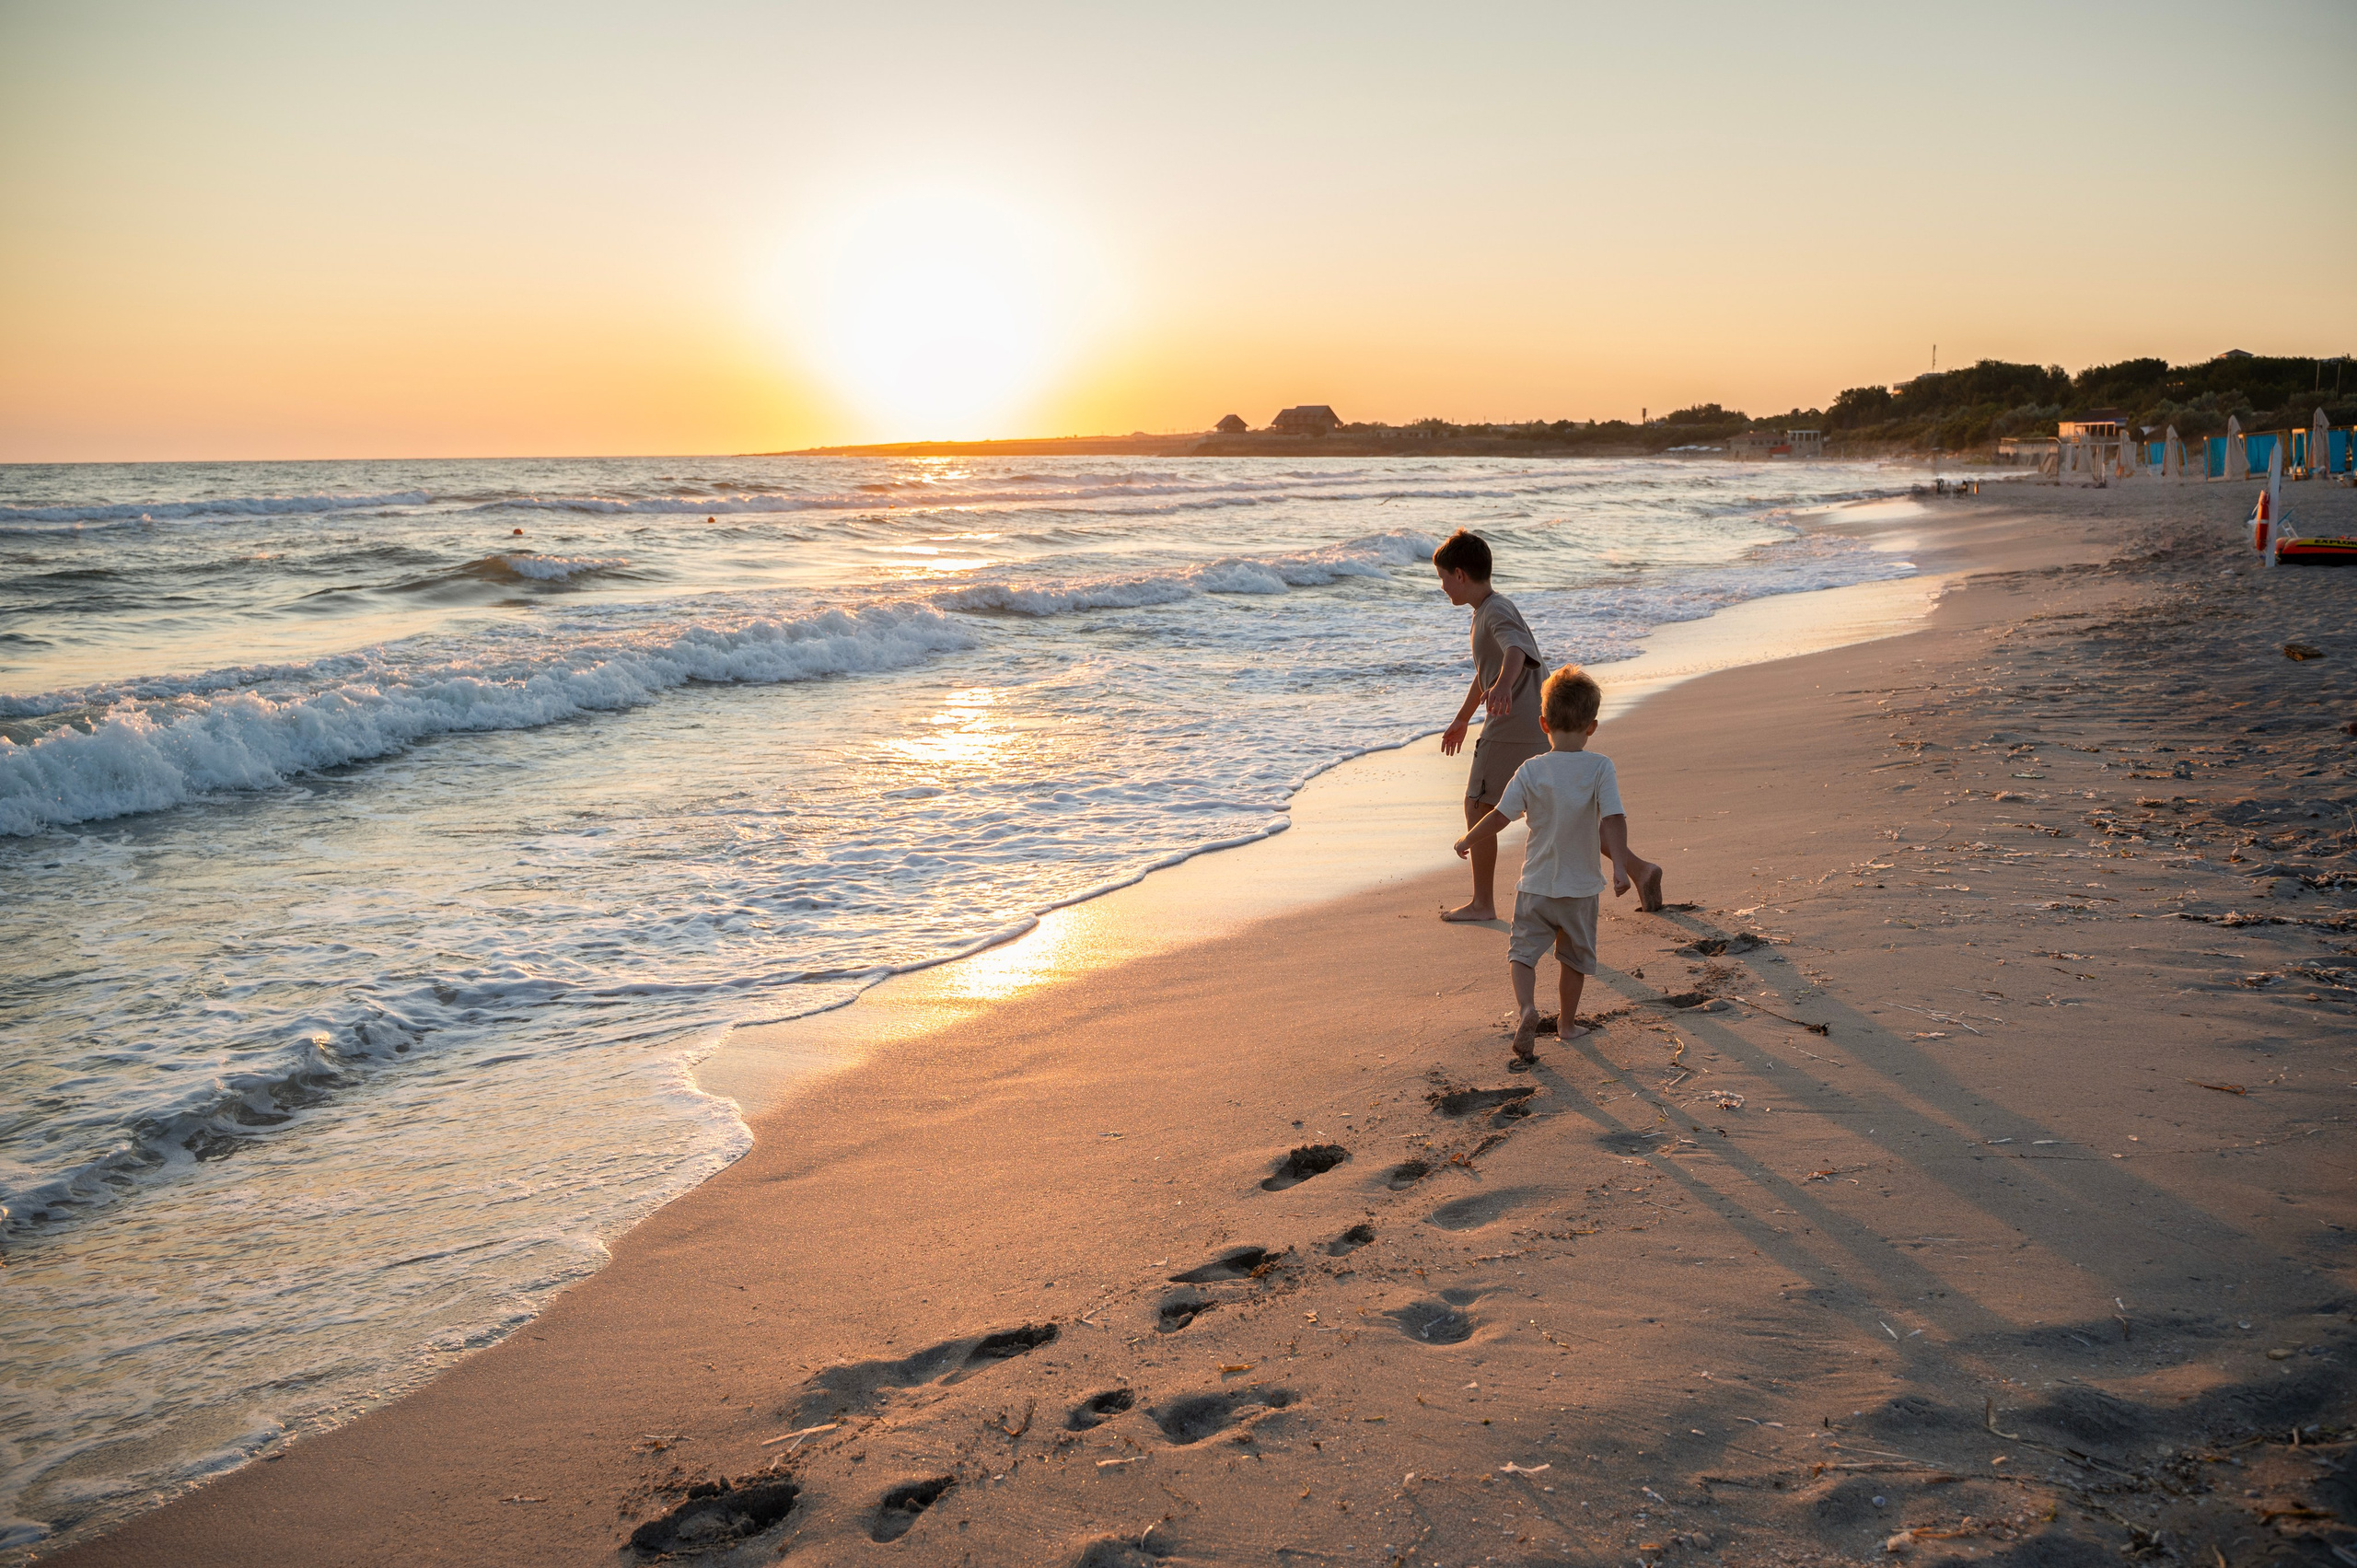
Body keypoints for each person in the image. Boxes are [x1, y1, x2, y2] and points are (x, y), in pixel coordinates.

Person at [1433, 528, 1661, 921]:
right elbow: (1486, 671)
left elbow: (1515, 652)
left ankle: (1483, 903)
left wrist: (1504, 684)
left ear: (1459, 574)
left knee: (1478, 804)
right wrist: (1462, 718)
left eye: (1441, 578)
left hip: (1511, 726)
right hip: (1538, 722)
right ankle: (1639, 869)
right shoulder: (1488, 610)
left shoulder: (1495, 611)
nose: (1441, 587)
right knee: (1565, 806)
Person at [1454, 664, 1657, 1066]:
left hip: (1535, 886)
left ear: (1543, 722)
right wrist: (1619, 867)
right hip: (1580, 890)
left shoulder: (1531, 769)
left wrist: (1467, 838)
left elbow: (1499, 816)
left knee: (1522, 954)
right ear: (1592, 727)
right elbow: (1613, 818)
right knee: (1573, 960)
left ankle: (1528, 1008)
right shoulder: (1600, 767)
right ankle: (1566, 1024)